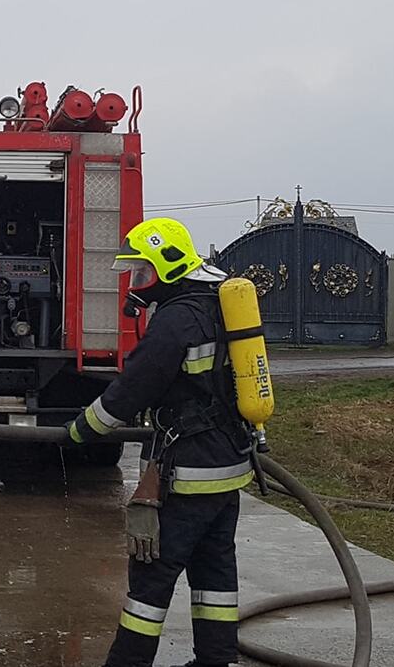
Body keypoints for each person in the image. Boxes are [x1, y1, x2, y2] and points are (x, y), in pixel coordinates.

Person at [65, 217, 250, 667]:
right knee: (214, 574)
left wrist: (80, 431)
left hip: (187, 474)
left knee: (150, 579)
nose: (137, 282)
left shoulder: (176, 319)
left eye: (143, 271)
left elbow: (132, 389)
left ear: (168, 267)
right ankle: (216, 660)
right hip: (227, 469)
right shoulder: (218, 305)